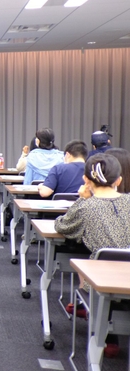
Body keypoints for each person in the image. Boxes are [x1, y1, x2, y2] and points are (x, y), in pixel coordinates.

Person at [54, 153, 130, 358]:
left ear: (86, 179)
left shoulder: (86, 207)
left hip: (101, 283)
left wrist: (81, 199)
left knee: (88, 263)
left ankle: (102, 333)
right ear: (119, 181)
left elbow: (63, 226)